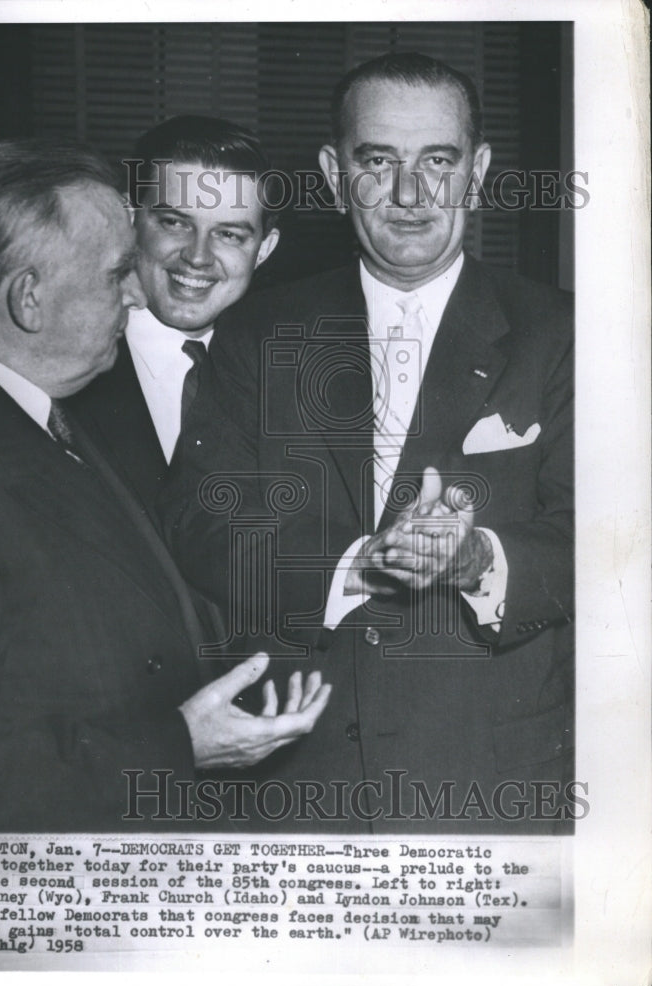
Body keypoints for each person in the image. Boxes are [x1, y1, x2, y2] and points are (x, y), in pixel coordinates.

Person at [163, 53, 574, 833]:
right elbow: (198, 521)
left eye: (439, 162)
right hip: (297, 781)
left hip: (488, 784)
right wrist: (357, 564)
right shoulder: (258, 330)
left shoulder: (565, 335)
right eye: (377, 161)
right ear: (331, 172)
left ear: (479, 170)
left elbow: (611, 543)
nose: (410, 195)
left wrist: (478, 556)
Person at [0, 138, 329, 833]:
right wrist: (178, 746)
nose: (139, 292)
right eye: (117, 275)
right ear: (29, 298)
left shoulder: (36, 416)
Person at [66, 116, 280, 516]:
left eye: (229, 234)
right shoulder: (62, 367)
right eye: (175, 223)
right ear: (130, 222)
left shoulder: (283, 375)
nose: (197, 256)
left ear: (264, 250)